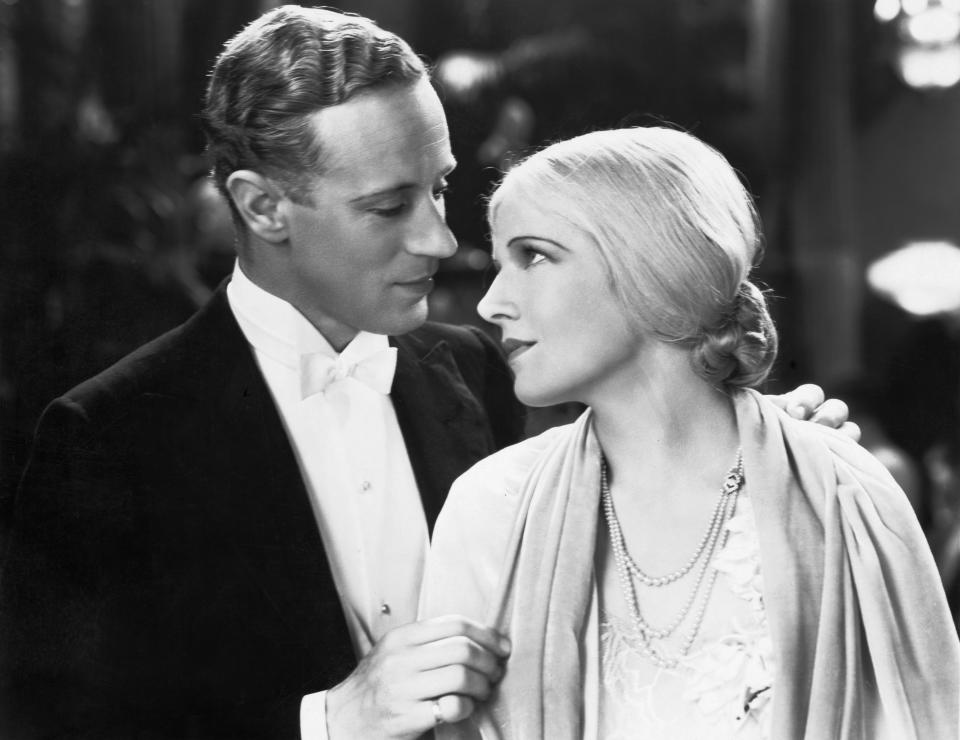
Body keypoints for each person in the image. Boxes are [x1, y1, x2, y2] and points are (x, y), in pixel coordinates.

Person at [0, 7, 851, 740]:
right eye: (388, 206)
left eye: (439, 189)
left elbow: (650, 545)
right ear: (262, 206)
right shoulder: (107, 438)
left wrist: (759, 460)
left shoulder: (493, 375)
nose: (440, 241)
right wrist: (329, 722)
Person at [421, 126, 959, 739]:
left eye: (534, 256)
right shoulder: (490, 509)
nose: (491, 303)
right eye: (499, 264)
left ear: (652, 264)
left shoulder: (845, 498)